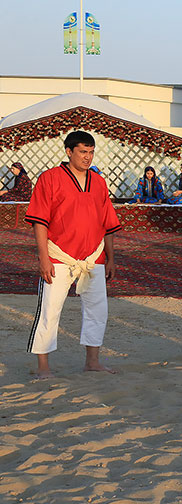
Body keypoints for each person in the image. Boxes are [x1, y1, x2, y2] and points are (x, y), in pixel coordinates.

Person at [23, 131, 122, 379]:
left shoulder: (98, 182)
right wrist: (43, 258)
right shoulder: (50, 179)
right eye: (82, 152)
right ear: (69, 152)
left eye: (91, 152)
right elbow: (39, 222)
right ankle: (43, 367)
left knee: (98, 310)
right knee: (50, 309)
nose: (87, 157)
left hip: (93, 257)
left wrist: (111, 258)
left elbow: (107, 223)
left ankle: (92, 361)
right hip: (58, 256)